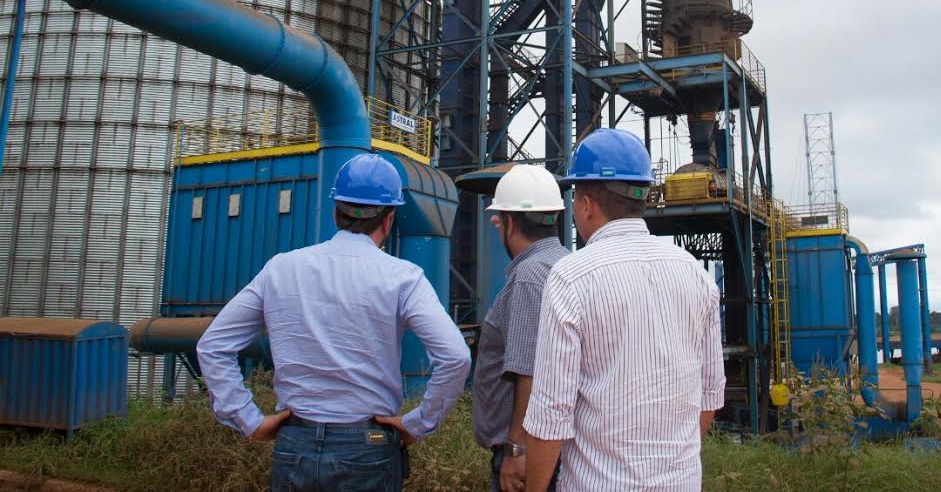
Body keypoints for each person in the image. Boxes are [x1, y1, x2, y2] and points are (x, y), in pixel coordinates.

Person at [197, 153, 472, 492]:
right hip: (368, 448)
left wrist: (248, 419)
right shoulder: (403, 277)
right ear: (389, 219)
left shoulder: (281, 268)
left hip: (294, 443)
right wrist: (419, 422)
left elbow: (213, 346)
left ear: (335, 212)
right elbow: (455, 357)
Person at [522, 129, 725, 492]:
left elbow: (550, 414)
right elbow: (709, 395)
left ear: (586, 205)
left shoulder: (571, 278)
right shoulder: (695, 274)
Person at [472, 164, 569, 492]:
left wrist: (517, 449)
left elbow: (528, 371)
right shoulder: (566, 264)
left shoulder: (529, 275)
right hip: (558, 445)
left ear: (510, 223)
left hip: (529, 451)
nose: (495, 224)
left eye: (499, 218)